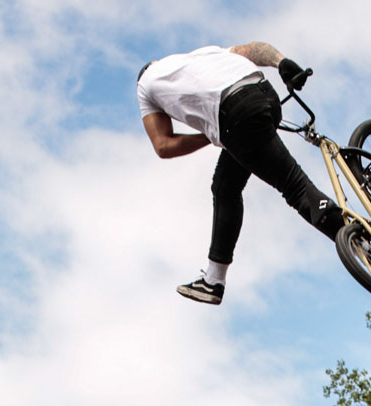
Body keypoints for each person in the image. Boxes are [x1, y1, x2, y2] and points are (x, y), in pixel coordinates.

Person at [137, 41, 344, 305]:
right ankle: (213, 280)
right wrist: (283, 63)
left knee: (295, 188)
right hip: (265, 96)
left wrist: (210, 134)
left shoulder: (145, 86)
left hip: (235, 116)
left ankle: (369, 250)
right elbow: (253, 49)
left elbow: (163, 146)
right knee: (225, 186)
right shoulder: (202, 55)